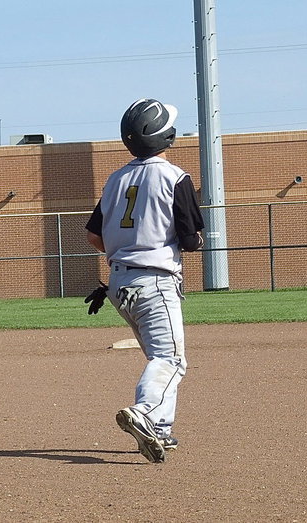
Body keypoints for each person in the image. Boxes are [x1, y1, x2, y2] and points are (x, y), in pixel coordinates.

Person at [85, 98, 204, 463]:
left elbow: (93, 235)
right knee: (171, 359)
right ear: (165, 136)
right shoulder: (174, 176)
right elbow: (190, 240)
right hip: (155, 282)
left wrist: (126, 249)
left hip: (120, 284)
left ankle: (161, 428)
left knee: (158, 356)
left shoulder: (116, 178)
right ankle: (146, 412)